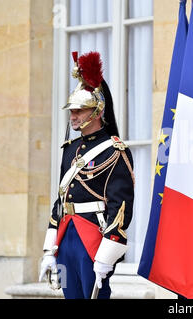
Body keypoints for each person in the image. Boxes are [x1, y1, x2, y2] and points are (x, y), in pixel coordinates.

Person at [39, 51, 135, 299]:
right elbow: (61, 199)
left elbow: (120, 206)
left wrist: (107, 254)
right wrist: (50, 249)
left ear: (97, 111)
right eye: (72, 111)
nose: (73, 117)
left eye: (79, 111)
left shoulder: (114, 150)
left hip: (92, 238)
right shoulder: (70, 149)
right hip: (66, 236)